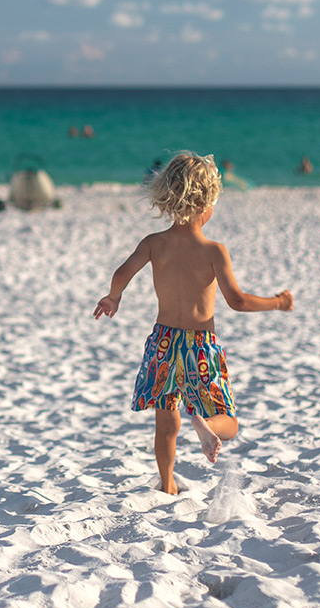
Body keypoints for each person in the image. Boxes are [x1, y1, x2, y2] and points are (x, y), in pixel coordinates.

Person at [93, 152, 294, 494]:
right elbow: (238, 301)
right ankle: (207, 424)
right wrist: (276, 302)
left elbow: (122, 273)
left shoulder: (154, 243)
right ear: (205, 203)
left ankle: (167, 483)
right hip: (200, 344)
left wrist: (114, 297)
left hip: (163, 342)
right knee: (229, 418)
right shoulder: (214, 251)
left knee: (165, 419)